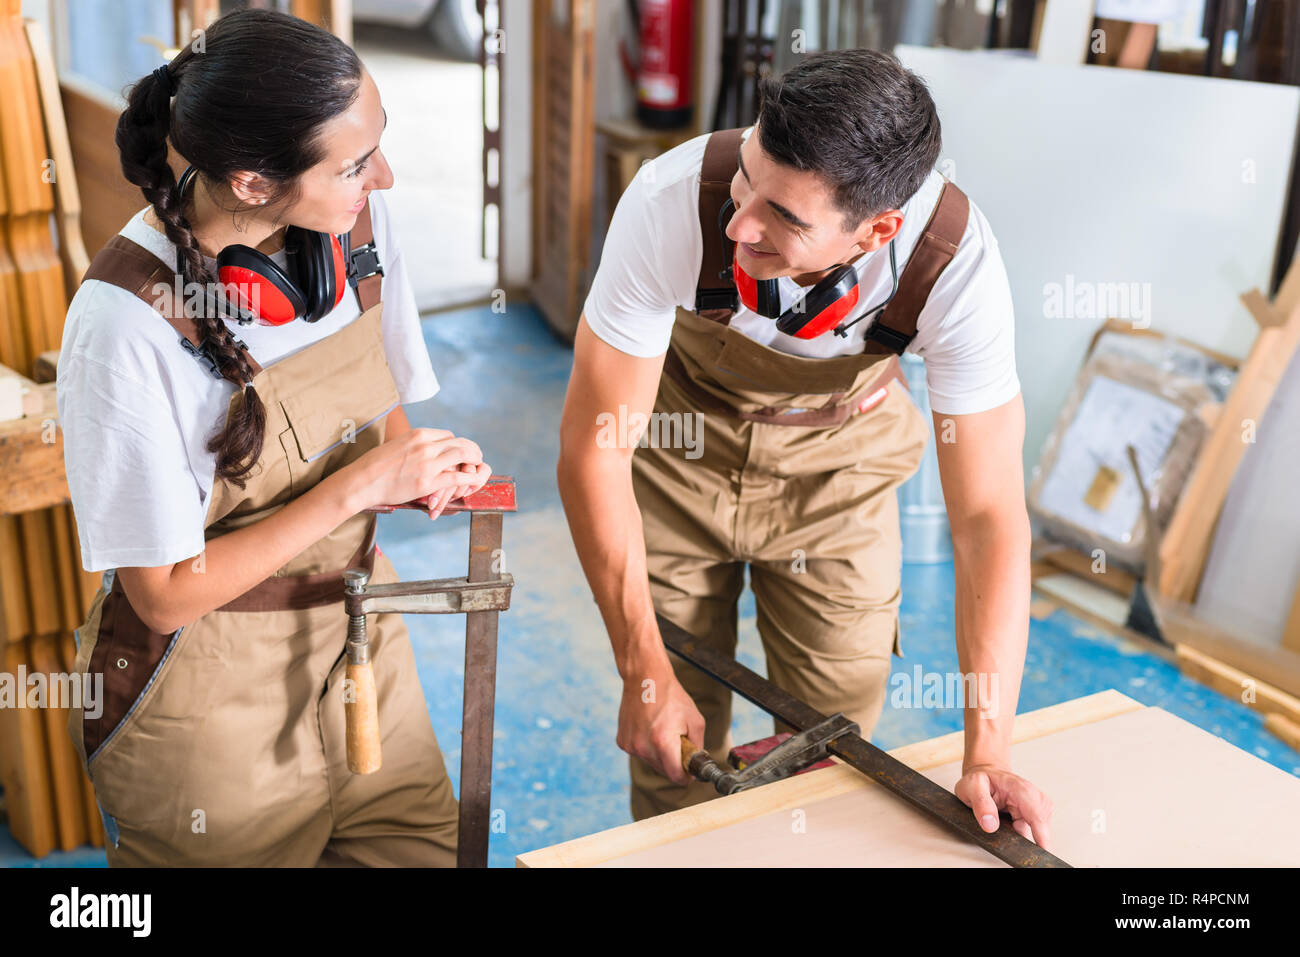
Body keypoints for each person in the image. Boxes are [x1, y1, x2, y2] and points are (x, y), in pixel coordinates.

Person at [558, 49, 1054, 848]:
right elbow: (595, 452)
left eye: (784, 217)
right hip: (678, 449)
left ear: (878, 230)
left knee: (834, 739)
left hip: (842, 471)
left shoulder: (952, 266)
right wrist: (641, 670)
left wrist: (988, 748)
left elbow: (989, 517)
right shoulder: (670, 200)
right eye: (747, 178)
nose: (738, 223)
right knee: (670, 738)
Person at [59, 8, 490, 867]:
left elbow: (383, 412)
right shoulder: (124, 324)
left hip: (362, 640)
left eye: (379, 144)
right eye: (356, 163)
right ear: (252, 183)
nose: (388, 177)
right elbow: (166, 596)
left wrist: (416, 467)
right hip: (207, 704)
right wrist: (359, 488)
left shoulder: (353, 225)